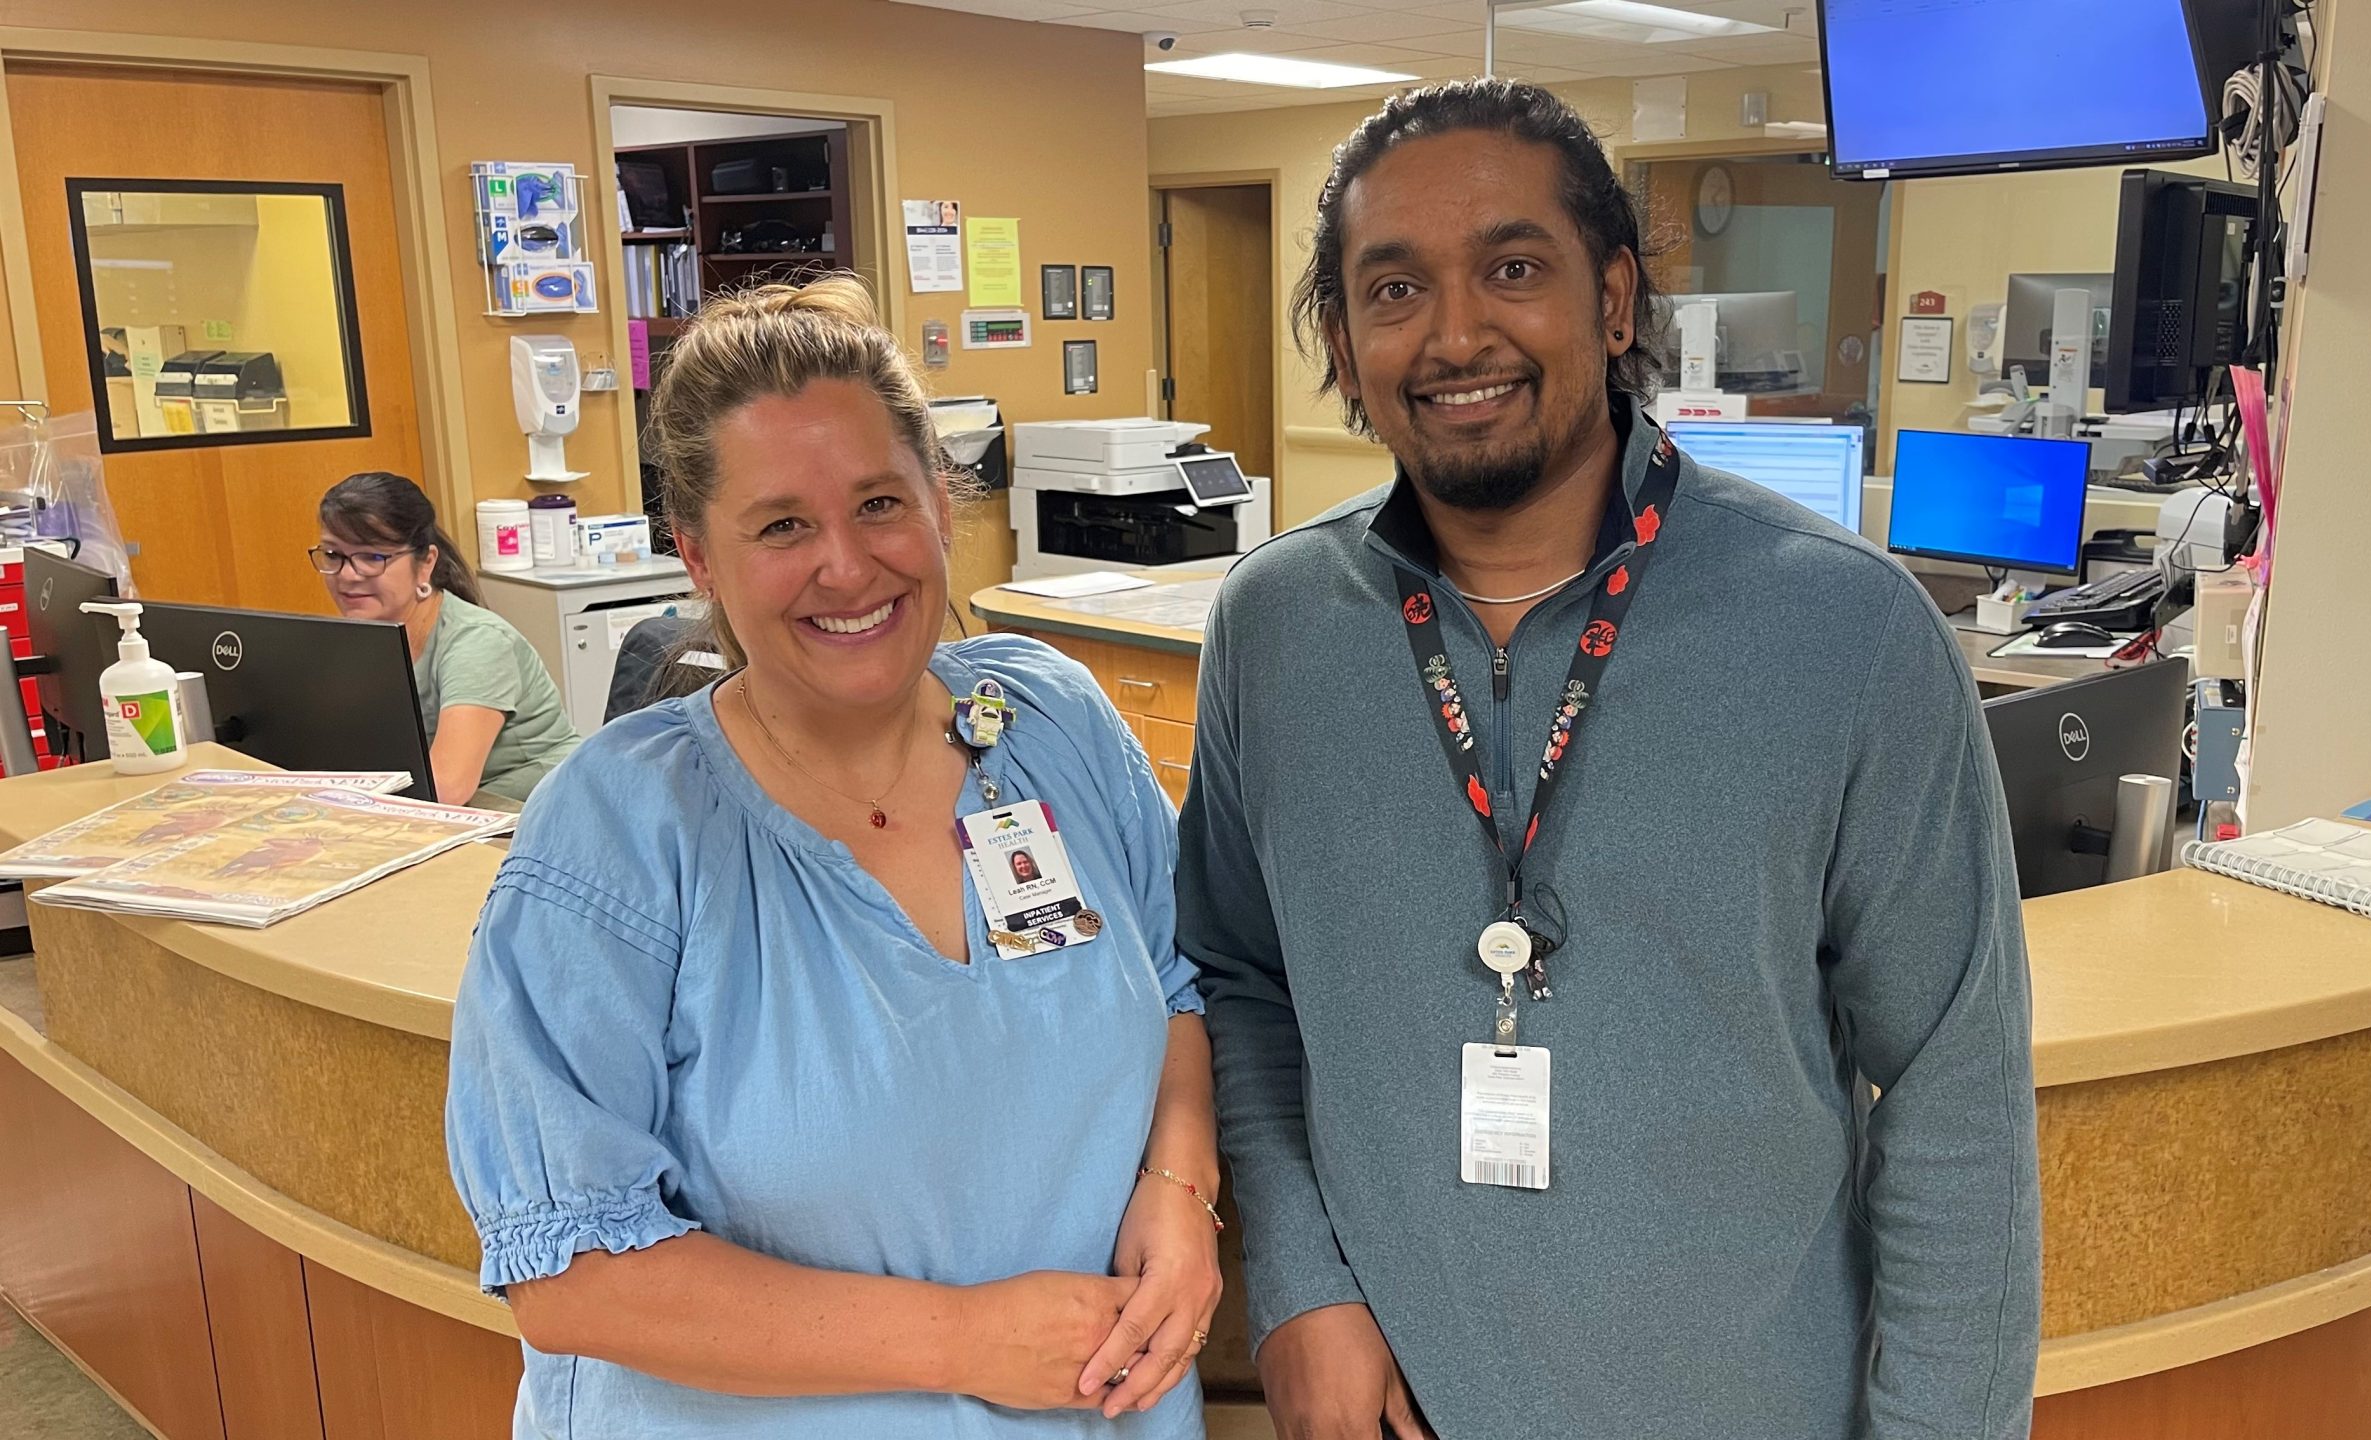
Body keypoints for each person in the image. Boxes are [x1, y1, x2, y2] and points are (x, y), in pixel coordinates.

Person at [1178, 79, 2040, 1439]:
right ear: (1343, 345)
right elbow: (1239, 980)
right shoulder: (1275, 630)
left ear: (1618, 299)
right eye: (1393, 291)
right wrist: (1296, 1288)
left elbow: (1955, 1094)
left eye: (1512, 268)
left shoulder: (1849, 630)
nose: (1456, 332)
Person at [445, 276, 1220, 1437]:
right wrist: (959, 1342)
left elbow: (1168, 988)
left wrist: (1180, 1188)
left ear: (942, 506)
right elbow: (567, 1275)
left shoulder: (1051, 722)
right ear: (699, 560)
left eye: (878, 504)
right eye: (782, 526)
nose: (848, 568)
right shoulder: (618, 832)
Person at [311, 473, 580, 808]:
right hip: (451, 814)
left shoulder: (477, 642)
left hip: (535, 812)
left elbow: (445, 788)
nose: (348, 575)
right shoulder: (357, 641)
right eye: (334, 555)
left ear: (425, 564)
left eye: (372, 557)